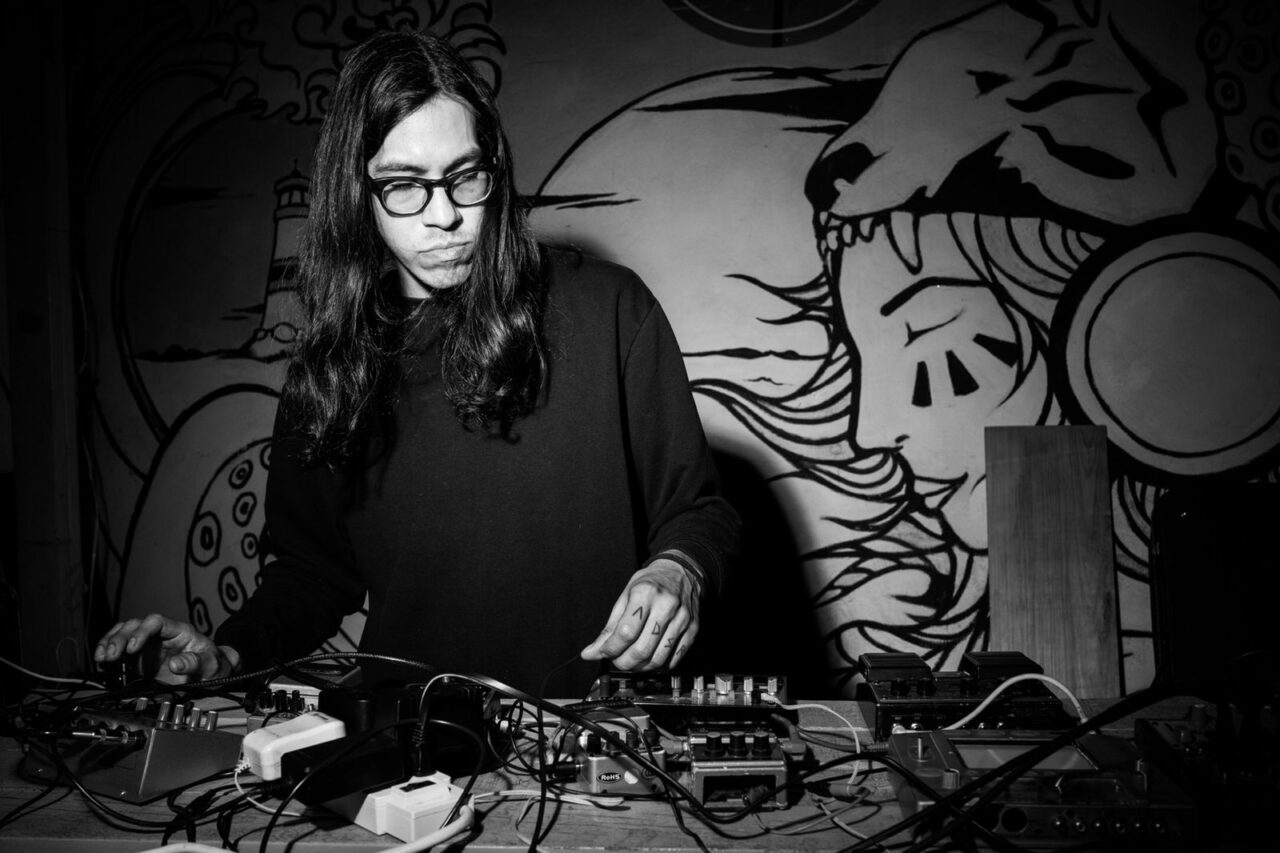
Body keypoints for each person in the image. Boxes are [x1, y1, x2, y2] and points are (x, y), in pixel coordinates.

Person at [94, 27, 739, 697]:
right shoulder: (330, 367)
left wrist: (678, 569)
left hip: (595, 728)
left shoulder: (611, 308)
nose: (445, 216)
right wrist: (227, 654)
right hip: (410, 738)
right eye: (404, 186)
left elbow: (699, 512)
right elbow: (312, 575)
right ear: (357, 193)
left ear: (494, 167)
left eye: (465, 177)